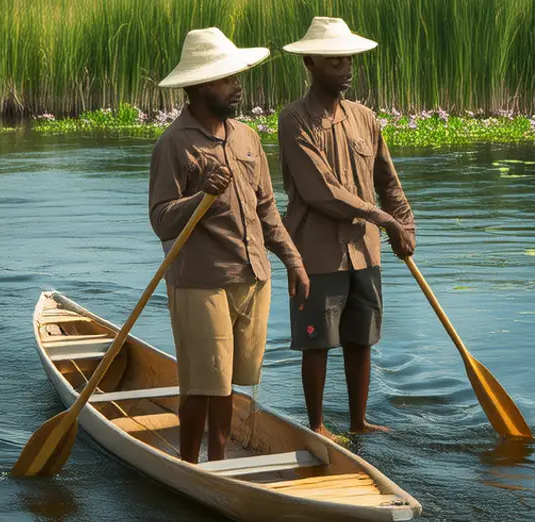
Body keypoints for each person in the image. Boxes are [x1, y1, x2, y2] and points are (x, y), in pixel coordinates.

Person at [149, 27, 309, 463]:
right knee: (204, 383)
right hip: (201, 282)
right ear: (201, 85)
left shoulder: (247, 138)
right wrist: (202, 196)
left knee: (229, 384)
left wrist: (293, 259)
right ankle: (190, 467)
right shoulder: (174, 144)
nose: (238, 86)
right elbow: (161, 220)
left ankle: (217, 465)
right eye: (228, 79)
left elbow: (267, 210)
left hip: (252, 276)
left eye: (237, 77)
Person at [277, 17, 416, 438]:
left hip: (365, 251)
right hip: (317, 253)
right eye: (335, 61)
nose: (346, 68)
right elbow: (323, 191)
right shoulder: (294, 119)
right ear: (311, 65)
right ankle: (317, 425)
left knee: (361, 339)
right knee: (317, 341)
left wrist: (405, 223)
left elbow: (386, 180)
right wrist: (386, 220)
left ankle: (358, 422)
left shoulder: (365, 118)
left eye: (348, 60)